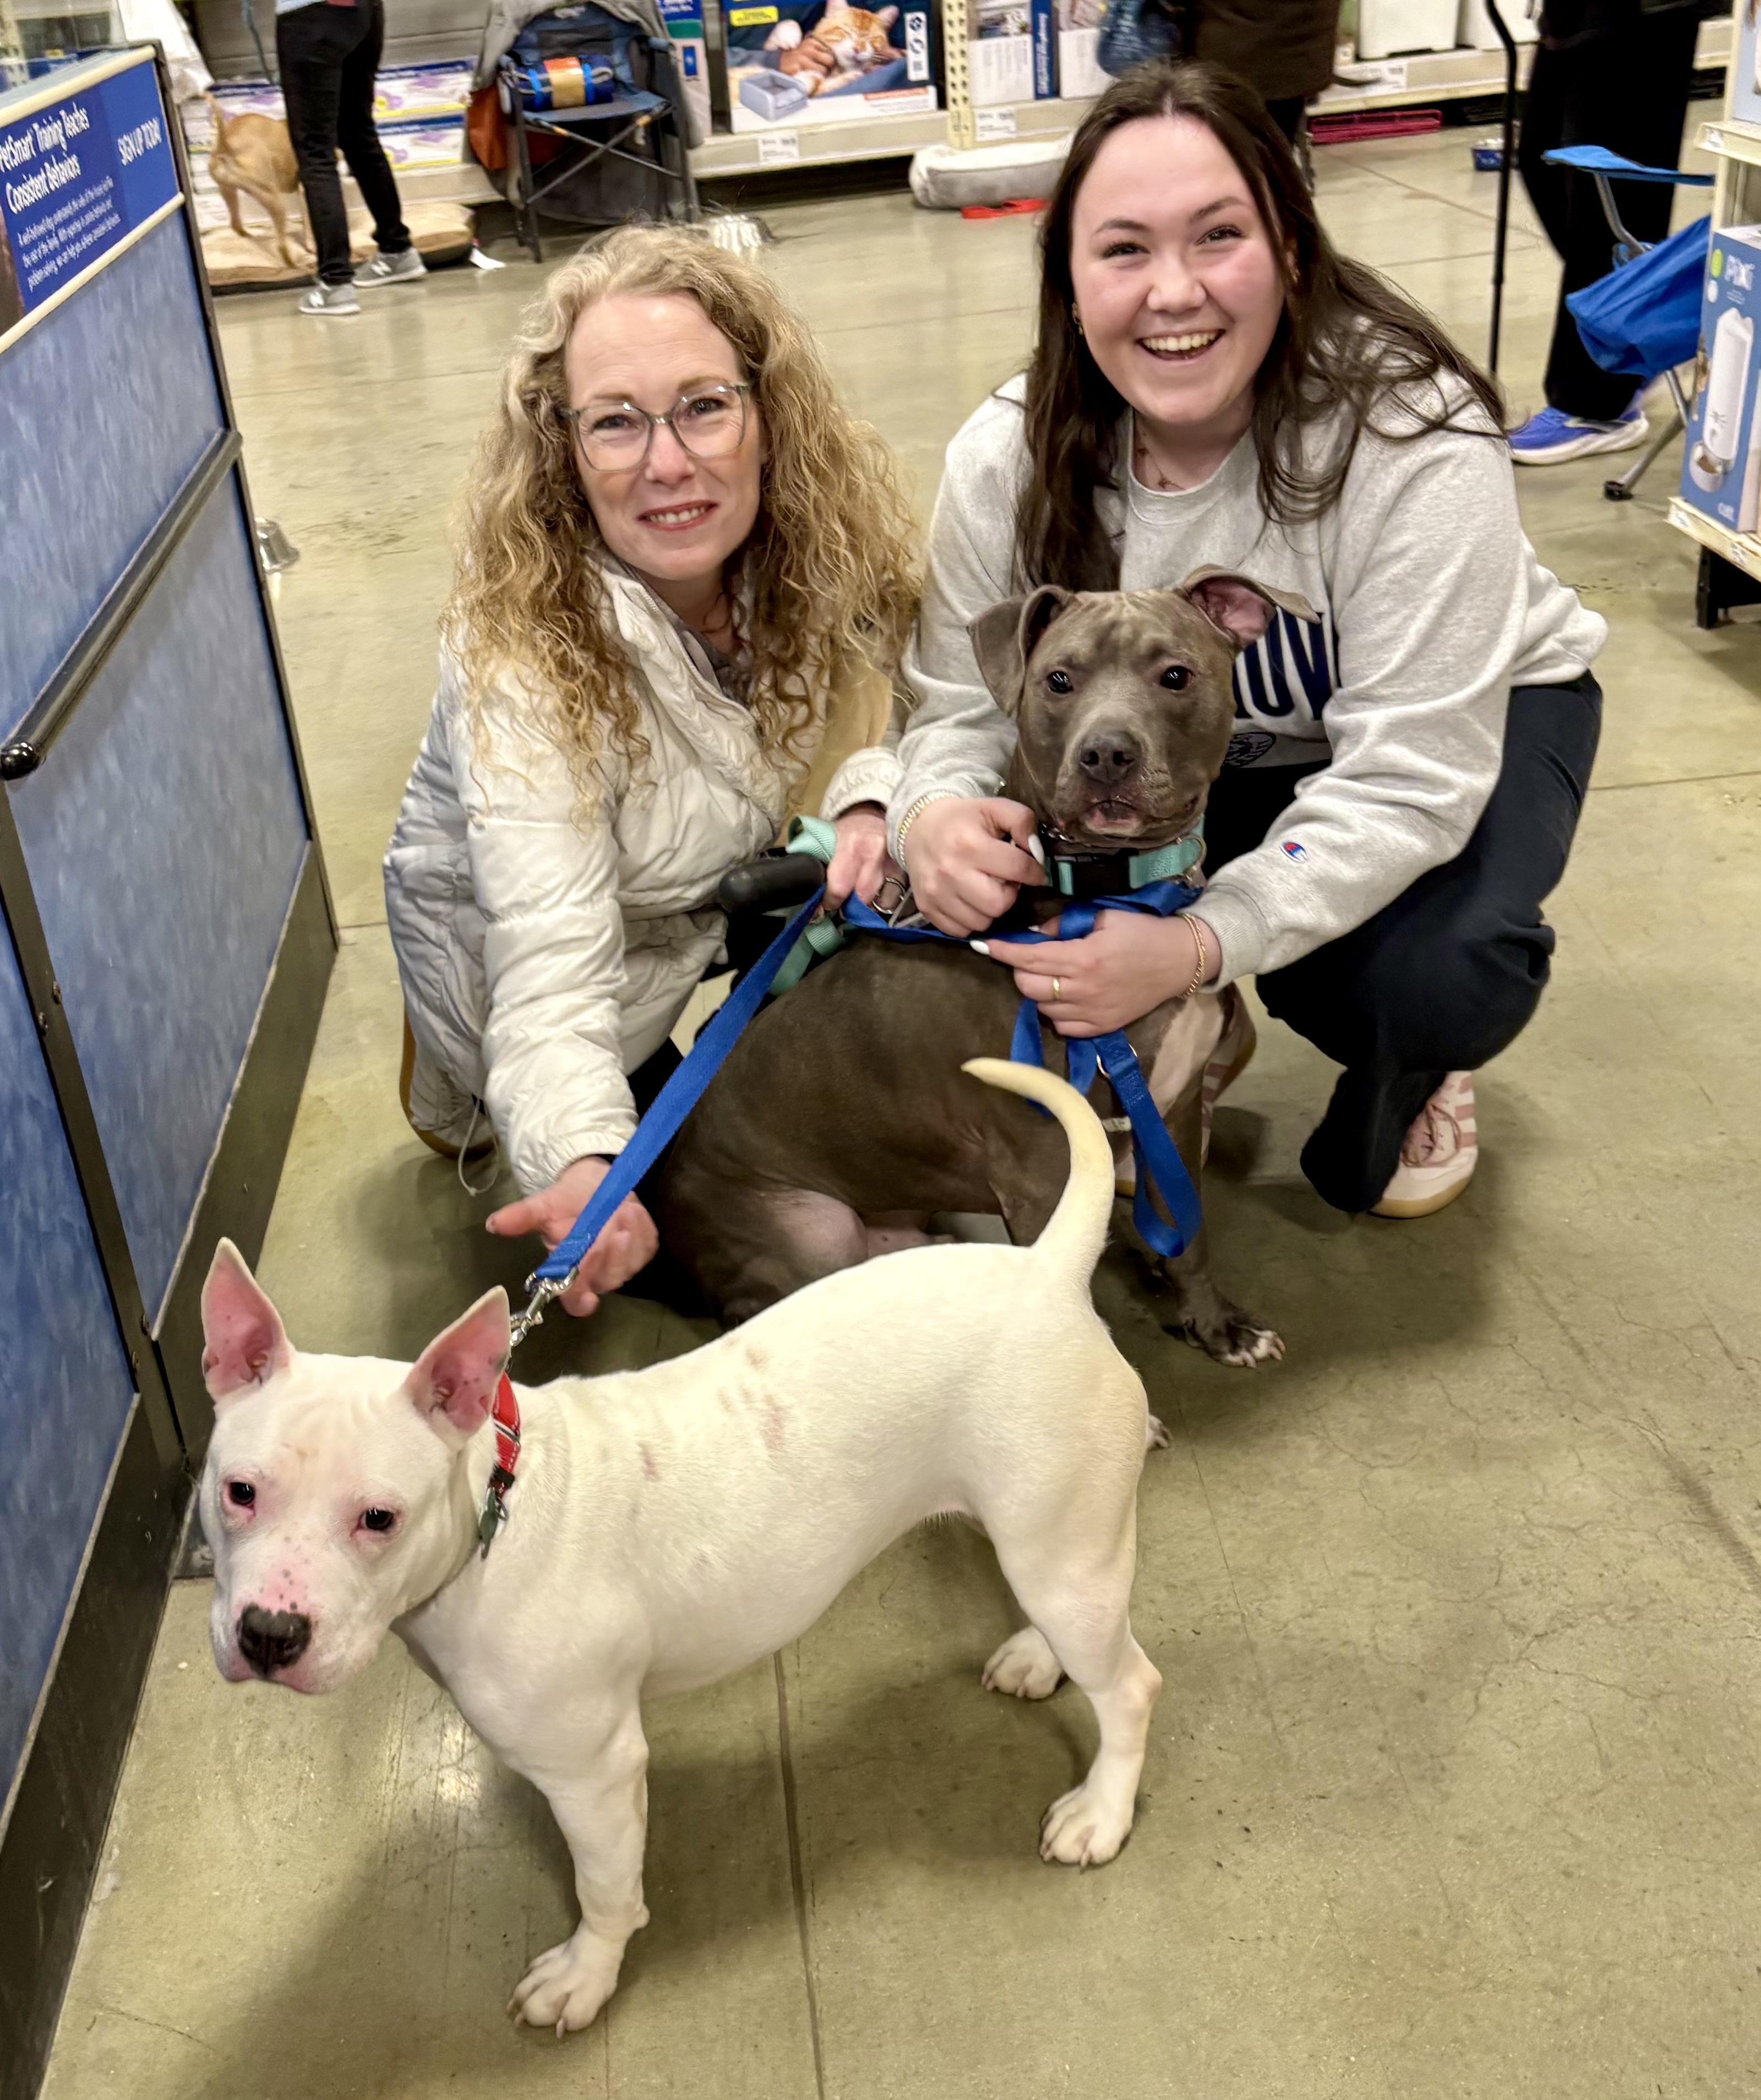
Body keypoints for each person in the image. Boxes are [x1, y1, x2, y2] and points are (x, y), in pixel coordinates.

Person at [890, 59, 1606, 1221]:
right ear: (1068, 280)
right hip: (1191, 754)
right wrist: (930, 813)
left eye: (1217, 236)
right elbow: (955, 704)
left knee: (1429, 971)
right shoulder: (1006, 455)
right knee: (976, 900)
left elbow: (1409, 774)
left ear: (1289, 252)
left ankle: (1415, 1062)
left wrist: (1201, 941)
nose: (1173, 292)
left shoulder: (1407, 434)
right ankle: (1142, 1067)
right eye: (1123, 249)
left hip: (1450, 723)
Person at [384, 226, 916, 1312]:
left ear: (766, 414)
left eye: (703, 406)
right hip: (555, 952)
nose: (667, 464)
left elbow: (903, 705)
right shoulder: (516, 655)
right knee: (792, 1249)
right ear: (563, 451)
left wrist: (868, 801)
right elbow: (551, 965)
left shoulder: (818, 546)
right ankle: (455, 1065)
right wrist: (580, 1156)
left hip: (711, 894)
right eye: (616, 422)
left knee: (881, 1170)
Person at [1509, 0, 1715, 465]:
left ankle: (1597, 402)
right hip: (1577, 12)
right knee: (1541, 160)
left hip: (1644, 14)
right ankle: (1639, 329)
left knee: (1605, 196)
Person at [266, 0, 424, 317]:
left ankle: (335, 283)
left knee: (315, 151)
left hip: (311, 15)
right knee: (358, 133)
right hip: (365, 11)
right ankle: (397, 249)